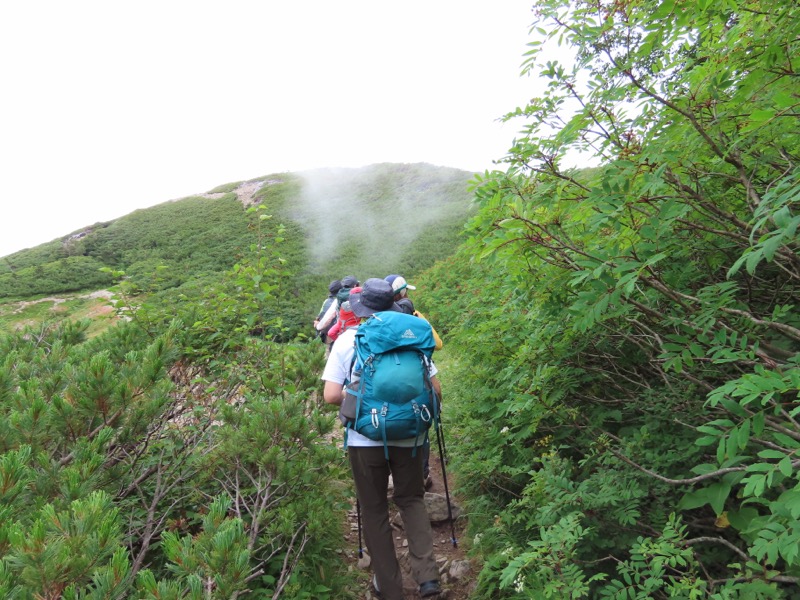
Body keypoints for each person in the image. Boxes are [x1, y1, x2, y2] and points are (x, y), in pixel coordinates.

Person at [322, 278, 442, 599]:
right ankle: (428, 579)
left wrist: (362, 395)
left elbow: (331, 395)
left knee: (374, 509)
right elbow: (437, 390)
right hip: (410, 436)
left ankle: (389, 587)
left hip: (365, 439)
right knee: (412, 500)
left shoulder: (349, 340)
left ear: (361, 309)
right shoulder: (412, 334)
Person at [313, 279, 342, 353]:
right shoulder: (340, 301)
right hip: (335, 334)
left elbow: (320, 316)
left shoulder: (326, 301)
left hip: (324, 334)